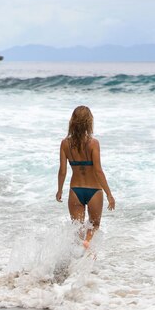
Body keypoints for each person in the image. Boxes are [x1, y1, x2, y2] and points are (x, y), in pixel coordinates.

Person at [56, 105, 115, 249]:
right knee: (94, 226)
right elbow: (98, 171)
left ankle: (77, 256)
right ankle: (88, 249)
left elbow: (62, 171)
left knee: (78, 228)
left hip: (75, 190)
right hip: (94, 190)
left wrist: (59, 190)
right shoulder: (93, 143)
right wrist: (109, 194)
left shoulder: (65, 144)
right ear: (89, 122)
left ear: (73, 122)